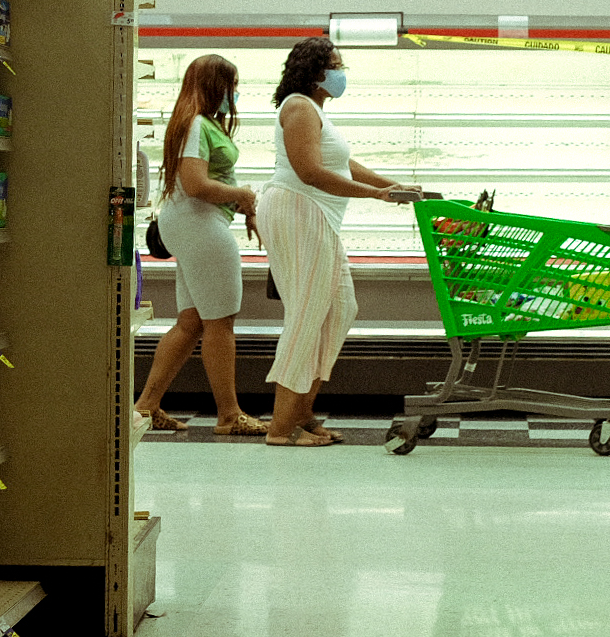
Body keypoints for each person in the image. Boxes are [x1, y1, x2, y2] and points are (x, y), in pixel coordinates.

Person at [258, 38, 418, 446]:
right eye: (335, 64)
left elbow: (342, 163)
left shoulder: (315, 112)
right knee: (307, 314)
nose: (341, 72)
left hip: (315, 215)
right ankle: (280, 429)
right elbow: (309, 172)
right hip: (297, 210)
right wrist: (375, 195)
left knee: (341, 307)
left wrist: (393, 187)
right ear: (314, 72)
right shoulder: (298, 107)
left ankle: (301, 413)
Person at [135, 55, 267, 436]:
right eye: (232, 86)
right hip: (201, 225)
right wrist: (241, 193)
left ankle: (145, 406)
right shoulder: (196, 125)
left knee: (191, 322)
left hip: (191, 225)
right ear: (216, 86)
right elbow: (196, 184)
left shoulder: (198, 123)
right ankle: (229, 415)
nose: (236, 94)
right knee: (220, 322)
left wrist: (241, 203)